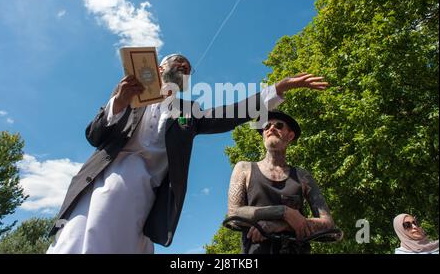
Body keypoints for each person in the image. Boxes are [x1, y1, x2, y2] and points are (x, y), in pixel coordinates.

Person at [47, 53, 328, 253]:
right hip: (105, 182)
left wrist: (277, 89)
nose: (185, 66)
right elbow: (94, 136)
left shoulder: (188, 112)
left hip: (149, 194)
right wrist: (118, 102)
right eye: (178, 62)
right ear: (159, 68)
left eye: (189, 68)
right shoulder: (128, 95)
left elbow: (232, 114)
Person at [227, 111, 335, 254]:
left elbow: (328, 224)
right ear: (263, 135)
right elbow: (234, 214)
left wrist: (278, 225)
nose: (271, 128)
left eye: (278, 125)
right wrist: (284, 212)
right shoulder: (244, 168)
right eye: (266, 126)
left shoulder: (303, 176)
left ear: (290, 136)